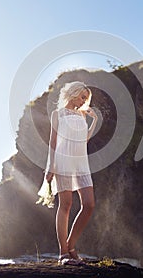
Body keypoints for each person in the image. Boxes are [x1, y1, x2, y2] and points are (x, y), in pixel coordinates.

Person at [38, 81, 98, 265]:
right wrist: (51, 167)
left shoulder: (82, 115)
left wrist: (94, 120)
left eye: (86, 99)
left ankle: (71, 246)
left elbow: (84, 139)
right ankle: (63, 253)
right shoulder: (58, 114)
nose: (83, 101)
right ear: (73, 93)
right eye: (82, 97)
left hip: (81, 163)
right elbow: (53, 142)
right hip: (63, 161)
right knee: (66, 205)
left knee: (89, 205)